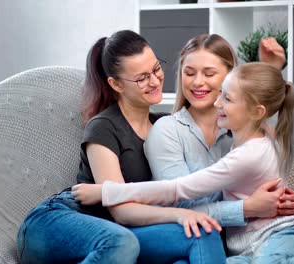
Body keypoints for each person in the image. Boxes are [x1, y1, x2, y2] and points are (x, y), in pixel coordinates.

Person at [72, 62, 294, 263]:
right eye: (189, 72)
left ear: (257, 112)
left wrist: (105, 191)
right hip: (243, 249)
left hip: (278, 237)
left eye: (227, 98)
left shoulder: (250, 151)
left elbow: (177, 188)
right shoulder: (245, 137)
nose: (217, 103)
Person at [16, 30, 227, 264]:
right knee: (120, 243)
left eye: (157, 69)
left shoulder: (165, 126)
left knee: (202, 232)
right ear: (116, 84)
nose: (155, 81)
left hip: (125, 233)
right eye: (141, 78)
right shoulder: (104, 126)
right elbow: (121, 211)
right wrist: (181, 215)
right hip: (57, 222)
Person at [144, 34, 294, 226]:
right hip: (200, 242)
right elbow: (182, 210)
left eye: (209, 74)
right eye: (189, 73)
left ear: (231, 76)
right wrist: (247, 208)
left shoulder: (252, 134)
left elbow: (276, 189)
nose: (197, 82)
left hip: (256, 240)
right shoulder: (167, 130)